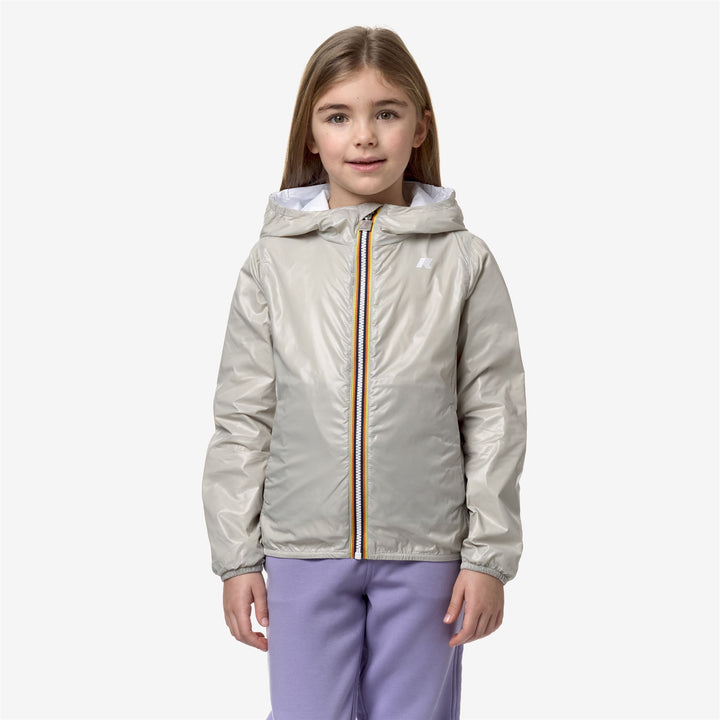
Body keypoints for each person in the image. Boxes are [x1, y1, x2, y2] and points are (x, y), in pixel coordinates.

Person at [201, 25, 527, 720]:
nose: (364, 137)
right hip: (301, 549)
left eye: (386, 113)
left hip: (428, 552)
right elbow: (243, 418)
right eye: (338, 116)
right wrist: (237, 557)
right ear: (310, 136)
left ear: (419, 128)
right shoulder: (272, 263)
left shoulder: (464, 261)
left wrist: (487, 557)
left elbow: (494, 415)